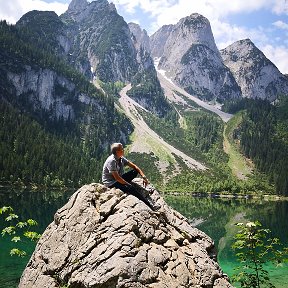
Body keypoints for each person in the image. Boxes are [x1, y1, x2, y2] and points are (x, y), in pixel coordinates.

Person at [102, 143, 160, 211]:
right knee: (131, 188)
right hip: (111, 182)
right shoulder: (111, 161)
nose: (123, 150)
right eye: (122, 149)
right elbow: (117, 178)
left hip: (118, 178)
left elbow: (134, 166)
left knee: (134, 171)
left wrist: (143, 177)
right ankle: (151, 206)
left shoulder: (121, 158)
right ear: (118, 152)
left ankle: (128, 187)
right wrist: (127, 184)